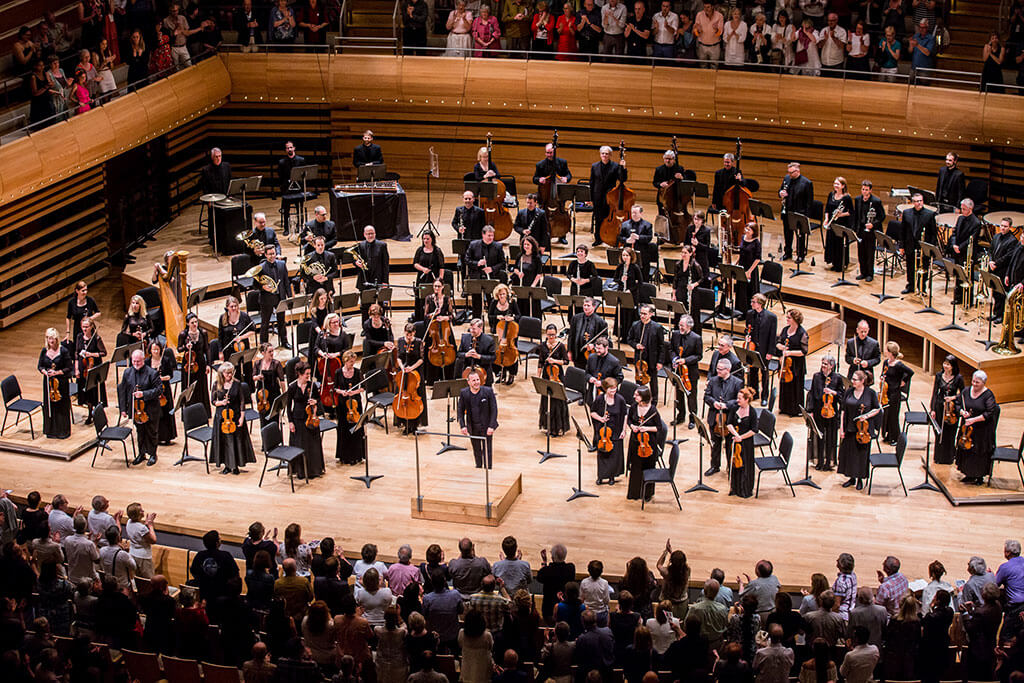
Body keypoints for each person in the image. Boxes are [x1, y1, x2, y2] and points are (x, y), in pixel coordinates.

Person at [837, 370, 881, 490]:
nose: (853, 381)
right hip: (850, 427)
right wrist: (841, 428)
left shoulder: (870, 393)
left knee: (861, 454)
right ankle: (852, 477)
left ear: (862, 381)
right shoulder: (849, 391)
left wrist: (866, 416)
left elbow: (877, 409)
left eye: (855, 379)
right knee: (850, 453)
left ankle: (860, 478)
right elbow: (843, 411)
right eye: (852, 379)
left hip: (863, 430)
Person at [210, 363, 257, 475]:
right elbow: (213, 401)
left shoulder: (237, 384)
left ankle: (235, 466)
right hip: (222, 417)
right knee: (225, 441)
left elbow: (241, 401)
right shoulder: (217, 384)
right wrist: (221, 402)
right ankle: (227, 465)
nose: (230, 375)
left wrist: (241, 417)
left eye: (231, 372)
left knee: (236, 441)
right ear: (222, 373)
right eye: (227, 373)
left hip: (234, 416)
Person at [117, 350, 162, 466]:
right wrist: (123, 409)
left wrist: (144, 394)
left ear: (143, 360)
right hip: (136, 410)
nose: (136, 363)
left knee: (152, 432)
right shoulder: (127, 372)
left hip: (151, 409)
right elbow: (123, 391)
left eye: (138, 361)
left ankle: (152, 454)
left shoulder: (152, 373)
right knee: (140, 432)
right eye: (134, 361)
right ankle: (141, 454)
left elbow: (159, 390)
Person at [954, 370, 997, 485]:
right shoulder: (966, 391)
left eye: (977, 382)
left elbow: (990, 413)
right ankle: (968, 474)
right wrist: (962, 412)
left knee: (978, 452)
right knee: (966, 449)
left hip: (981, 430)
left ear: (983, 383)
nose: (974, 384)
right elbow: (958, 404)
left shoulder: (988, 395)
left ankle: (979, 476)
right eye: (973, 381)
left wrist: (973, 419)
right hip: (966, 428)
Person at [287, 360, 326, 479]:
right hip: (298, 419)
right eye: (306, 374)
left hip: (311, 419)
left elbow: (319, 400)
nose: (308, 376)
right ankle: (300, 471)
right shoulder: (292, 387)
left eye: (309, 374)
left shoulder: (312, 386)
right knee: (299, 445)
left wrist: (315, 402)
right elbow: (288, 406)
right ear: (299, 374)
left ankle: (314, 470)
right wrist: (290, 422)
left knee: (313, 445)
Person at [705, 358, 743, 476]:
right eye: (717, 368)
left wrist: (726, 405)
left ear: (728, 370)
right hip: (714, 418)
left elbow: (739, 401)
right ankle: (715, 466)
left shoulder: (737, 383)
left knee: (729, 445)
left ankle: (730, 466)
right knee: (715, 444)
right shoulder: (712, 381)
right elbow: (706, 396)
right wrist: (714, 403)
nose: (718, 371)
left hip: (729, 419)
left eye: (720, 369)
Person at [625, 385, 663, 502]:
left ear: (644, 397)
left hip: (648, 443)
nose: (634, 396)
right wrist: (632, 426)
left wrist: (645, 428)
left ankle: (647, 493)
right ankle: (634, 493)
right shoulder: (633, 407)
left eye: (637, 395)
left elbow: (659, 428)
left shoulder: (653, 411)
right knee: (636, 468)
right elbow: (629, 420)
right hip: (635, 441)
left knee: (648, 467)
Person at [806, 356, 843, 470]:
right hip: (818, 411)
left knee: (831, 437)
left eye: (826, 364)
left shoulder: (837, 378)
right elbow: (811, 394)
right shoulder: (817, 376)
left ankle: (829, 462)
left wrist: (833, 392)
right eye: (822, 363)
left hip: (831, 412)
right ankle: (819, 461)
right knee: (819, 436)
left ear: (831, 366)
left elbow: (842, 395)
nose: (823, 366)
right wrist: (810, 410)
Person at [899, 191, 939, 293]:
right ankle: (911, 286)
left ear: (923, 201)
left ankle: (922, 287)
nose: (919, 203)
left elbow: (933, 234)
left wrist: (931, 249)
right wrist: (902, 246)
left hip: (923, 247)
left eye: (920, 201)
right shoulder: (907, 213)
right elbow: (903, 231)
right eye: (916, 201)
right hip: (910, 245)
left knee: (923, 268)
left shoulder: (930, 215)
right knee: (910, 267)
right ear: (913, 202)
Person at [591, 377, 627, 485]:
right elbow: (592, 412)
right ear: (605, 389)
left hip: (616, 430)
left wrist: (624, 430)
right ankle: (601, 476)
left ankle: (612, 476)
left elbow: (625, 415)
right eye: (611, 389)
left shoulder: (620, 399)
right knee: (602, 454)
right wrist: (601, 418)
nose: (613, 391)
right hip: (603, 432)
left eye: (615, 388)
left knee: (614, 455)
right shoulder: (599, 399)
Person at [255, 243, 292, 348]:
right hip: (266, 299)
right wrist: (263, 287)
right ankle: (264, 345)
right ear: (265, 255)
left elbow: (286, 281)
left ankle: (284, 342)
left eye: (274, 253)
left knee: (282, 321)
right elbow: (254, 284)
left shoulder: (281, 264)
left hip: (280, 297)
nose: (272, 256)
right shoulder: (261, 268)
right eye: (270, 254)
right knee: (265, 323)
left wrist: (289, 296)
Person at [459, 370, 498, 469]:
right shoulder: (464, 393)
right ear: (469, 382)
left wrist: (491, 426)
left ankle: (488, 470)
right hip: (473, 426)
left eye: (477, 379)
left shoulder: (488, 391)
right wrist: (463, 426)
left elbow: (494, 410)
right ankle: (479, 468)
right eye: (473, 380)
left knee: (487, 450)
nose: (476, 382)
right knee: (476, 449)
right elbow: (460, 410)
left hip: (486, 426)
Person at [334, 350, 367, 465]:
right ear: (345, 361)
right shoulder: (338, 372)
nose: (352, 365)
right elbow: (334, 388)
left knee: (356, 429)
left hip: (355, 404)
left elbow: (363, 387)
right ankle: (345, 456)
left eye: (353, 362)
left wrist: (354, 392)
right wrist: (342, 392)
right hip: (343, 405)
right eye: (350, 362)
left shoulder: (358, 372)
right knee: (344, 429)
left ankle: (357, 455)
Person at [465, 226, 506, 318]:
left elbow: (503, 263)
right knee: (476, 301)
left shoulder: (498, 246)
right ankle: (476, 321)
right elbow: (467, 260)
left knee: (492, 300)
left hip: (491, 277)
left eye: (492, 235)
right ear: (483, 235)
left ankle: (493, 323)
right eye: (489, 235)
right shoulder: (473, 245)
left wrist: (492, 268)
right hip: (477, 276)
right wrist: (477, 263)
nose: (491, 238)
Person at [38, 328, 72, 439]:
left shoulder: (64, 351)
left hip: (60, 383)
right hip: (48, 383)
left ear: (56, 338)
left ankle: (63, 431)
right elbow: (40, 366)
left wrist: (56, 372)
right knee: (50, 405)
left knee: (61, 405)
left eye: (52, 338)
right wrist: (45, 372)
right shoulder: (44, 351)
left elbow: (69, 368)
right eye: (48, 338)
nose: (50, 340)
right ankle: (51, 430)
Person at [627, 305, 665, 403]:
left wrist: (660, 362)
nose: (642, 316)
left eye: (645, 314)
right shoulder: (635, 325)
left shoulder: (657, 327)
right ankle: (640, 398)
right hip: (639, 359)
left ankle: (654, 400)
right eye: (641, 313)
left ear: (651, 314)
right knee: (639, 380)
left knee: (653, 381)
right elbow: (629, 339)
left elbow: (662, 346)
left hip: (652, 358)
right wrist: (636, 345)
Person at [538, 324, 570, 437]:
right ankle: (549, 427)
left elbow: (566, 361)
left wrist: (555, 361)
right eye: (549, 335)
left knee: (557, 402)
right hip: (546, 375)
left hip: (558, 376)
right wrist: (538, 375)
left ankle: (559, 427)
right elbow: (540, 362)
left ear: (556, 334)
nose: (551, 337)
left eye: (553, 335)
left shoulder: (560, 346)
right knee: (547, 401)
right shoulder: (542, 346)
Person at [395, 323, 428, 434]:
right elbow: (399, 357)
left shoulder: (418, 342)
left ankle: (415, 425)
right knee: (403, 396)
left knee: (415, 396)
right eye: (407, 335)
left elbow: (421, 359)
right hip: (403, 373)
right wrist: (402, 368)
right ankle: (405, 423)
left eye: (411, 335)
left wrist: (412, 368)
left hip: (415, 374)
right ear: (404, 332)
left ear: (414, 333)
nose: (409, 337)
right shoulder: (400, 341)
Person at [670, 315, 702, 429]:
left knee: (691, 397)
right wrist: (674, 358)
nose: (680, 327)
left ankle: (693, 418)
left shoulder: (696, 338)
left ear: (689, 326)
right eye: (679, 325)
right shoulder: (675, 334)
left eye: (682, 326)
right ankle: (680, 416)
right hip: (678, 371)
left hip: (690, 373)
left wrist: (685, 360)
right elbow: (671, 349)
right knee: (679, 395)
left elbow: (699, 356)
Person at [878, 341, 913, 445]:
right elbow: (883, 374)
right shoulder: (886, 362)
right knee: (887, 415)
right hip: (886, 392)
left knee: (893, 416)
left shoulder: (899, 365)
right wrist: (882, 377)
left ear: (890, 352)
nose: (884, 351)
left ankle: (895, 438)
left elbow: (910, 372)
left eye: (886, 350)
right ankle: (888, 435)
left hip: (895, 393)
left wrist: (904, 381)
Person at [775, 309, 808, 417]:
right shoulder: (785, 330)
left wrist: (789, 353)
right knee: (784, 384)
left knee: (795, 386)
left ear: (795, 320)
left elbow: (804, 351)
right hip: (785, 363)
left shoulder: (802, 333)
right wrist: (780, 347)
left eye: (789, 318)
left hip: (796, 364)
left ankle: (795, 410)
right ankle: (784, 407)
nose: (787, 319)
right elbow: (779, 342)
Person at [778, 162, 814, 262]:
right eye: (788, 172)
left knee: (800, 235)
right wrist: (780, 193)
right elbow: (781, 190)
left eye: (791, 173)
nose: (789, 174)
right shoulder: (787, 178)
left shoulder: (807, 183)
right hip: (787, 211)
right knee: (787, 233)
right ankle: (788, 252)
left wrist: (806, 217)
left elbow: (809, 202)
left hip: (799, 213)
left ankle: (800, 254)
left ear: (797, 171)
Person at [726, 387, 758, 498]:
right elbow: (729, 423)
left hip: (746, 443)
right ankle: (735, 487)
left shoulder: (752, 412)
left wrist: (742, 438)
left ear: (747, 400)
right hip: (735, 440)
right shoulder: (734, 409)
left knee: (745, 465)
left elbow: (754, 430)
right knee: (735, 464)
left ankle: (745, 489)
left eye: (740, 398)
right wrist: (736, 435)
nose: (737, 400)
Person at [852, 180, 884, 282]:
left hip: (871, 230)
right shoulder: (858, 199)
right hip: (861, 229)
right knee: (861, 252)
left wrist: (873, 225)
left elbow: (881, 216)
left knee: (870, 252)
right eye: (863, 189)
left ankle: (870, 273)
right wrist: (854, 229)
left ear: (870, 190)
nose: (864, 192)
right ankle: (863, 272)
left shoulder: (876, 201)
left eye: (866, 190)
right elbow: (856, 215)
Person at [568, 297, 609, 369]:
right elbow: (571, 336)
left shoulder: (600, 322)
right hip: (577, 352)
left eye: (588, 305)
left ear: (593, 306)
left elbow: (604, 338)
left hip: (591, 354)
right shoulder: (576, 318)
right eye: (584, 305)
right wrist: (569, 351)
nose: (586, 307)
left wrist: (594, 345)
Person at [823, 177, 853, 272]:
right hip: (832, 223)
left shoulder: (847, 197)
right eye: (835, 183)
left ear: (843, 186)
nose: (835, 185)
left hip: (842, 224)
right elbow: (827, 208)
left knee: (840, 244)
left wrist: (841, 214)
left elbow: (851, 212)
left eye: (838, 184)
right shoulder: (831, 195)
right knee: (832, 242)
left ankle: (841, 264)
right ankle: (834, 263)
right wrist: (826, 219)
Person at [613, 247, 644, 336]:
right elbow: (615, 279)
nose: (625, 257)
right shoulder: (620, 267)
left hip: (632, 294)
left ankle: (629, 335)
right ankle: (621, 334)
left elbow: (640, 282)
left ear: (631, 256)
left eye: (627, 255)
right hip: (621, 293)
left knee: (630, 314)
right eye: (623, 255)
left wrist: (630, 290)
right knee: (621, 313)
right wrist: (621, 280)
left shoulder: (635, 267)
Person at [996, 539, 1024, 639]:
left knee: (1006, 637)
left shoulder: (1005, 567)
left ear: (1008, 553)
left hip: (1015, 607)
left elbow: (995, 585)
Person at [457, 318, 497, 386]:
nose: (471, 331)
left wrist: (479, 356)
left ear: (481, 328)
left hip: (484, 373)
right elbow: (458, 354)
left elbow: (493, 358)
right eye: (470, 329)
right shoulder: (465, 338)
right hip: (467, 373)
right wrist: (466, 354)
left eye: (474, 329)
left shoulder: (489, 340)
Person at [586, 337, 623, 405]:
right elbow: (587, 373)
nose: (597, 350)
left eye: (599, 348)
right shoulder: (591, 357)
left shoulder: (614, 361)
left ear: (606, 348)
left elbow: (619, 378)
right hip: (592, 391)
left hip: (607, 393)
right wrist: (590, 378)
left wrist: (603, 383)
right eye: (596, 348)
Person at [736, 222, 762, 314]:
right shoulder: (743, 237)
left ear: (753, 232)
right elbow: (741, 253)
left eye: (748, 229)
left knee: (749, 291)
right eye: (746, 228)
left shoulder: (756, 243)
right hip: (742, 267)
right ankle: (740, 312)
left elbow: (758, 259)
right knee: (741, 290)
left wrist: (749, 271)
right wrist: (736, 264)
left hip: (751, 269)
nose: (746, 230)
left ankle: (750, 312)